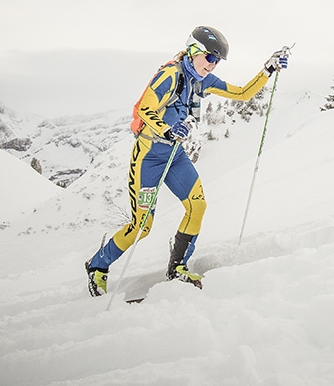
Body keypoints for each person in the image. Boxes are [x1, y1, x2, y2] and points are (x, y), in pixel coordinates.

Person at [85, 26, 288, 295]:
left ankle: (178, 265)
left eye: (217, 61)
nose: (213, 66)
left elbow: (241, 93)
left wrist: (268, 70)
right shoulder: (170, 75)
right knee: (142, 227)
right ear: (194, 51)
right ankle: (98, 266)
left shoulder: (201, 81)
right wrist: (167, 129)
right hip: (149, 156)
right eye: (210, 58)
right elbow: (143, 109)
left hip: (175, 156)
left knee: (197, 206)